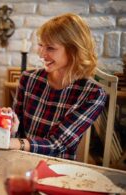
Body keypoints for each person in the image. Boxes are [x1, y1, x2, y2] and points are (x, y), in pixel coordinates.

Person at [6, 13, 107, 160]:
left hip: (57, 170)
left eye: (50, 48)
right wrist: (10, 127)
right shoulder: (28, 79)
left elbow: (56, 144)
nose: (41, 55)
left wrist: (11, 143)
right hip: (20, 161)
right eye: (41, 45)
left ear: (74, 51)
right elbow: (16, 131)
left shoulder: (93, 95)